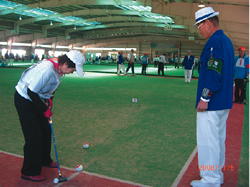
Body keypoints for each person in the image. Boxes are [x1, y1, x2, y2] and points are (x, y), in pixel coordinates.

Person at [14, 50, 85, 182]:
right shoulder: (46, 70)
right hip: (24, 99)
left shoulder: (59, 70)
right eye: (72, 69)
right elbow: (31, 92)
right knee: (34, 136)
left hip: (36, 98)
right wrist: (43, 109)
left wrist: (49, 99)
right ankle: (28, 171)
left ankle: (44, 159)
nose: (72, 72)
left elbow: (48, 88)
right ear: (64, 64)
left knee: (46, 130)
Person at [191, 7, 235, 187]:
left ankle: (210, 180)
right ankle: (216, 176)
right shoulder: (227, 41)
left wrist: (204, 98)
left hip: (212, 102)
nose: (199, 29)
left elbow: (213, 72)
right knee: (217, 141)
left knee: (208, 141)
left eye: (200, 25)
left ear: (208, 23)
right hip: (223, 102)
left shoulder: (213, 42)